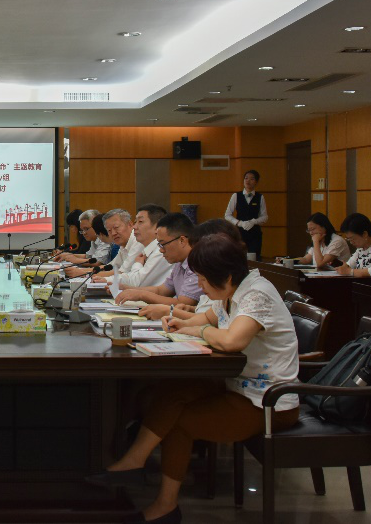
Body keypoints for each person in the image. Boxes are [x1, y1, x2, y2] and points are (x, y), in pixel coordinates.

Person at [89, 233, 300, 524]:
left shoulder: (256, 294)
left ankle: (166, 506)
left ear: (226, 276)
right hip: (236, 385)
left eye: (202, 278)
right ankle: (133, 462)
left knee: (180, 424)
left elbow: (232, 341)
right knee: (174, 390)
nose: (199, 285)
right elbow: (205, 319)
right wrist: (178, 320)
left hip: (266, 401)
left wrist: (195, 330)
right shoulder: (232, 290)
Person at [116, 213, 201, 319]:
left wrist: (141, 295)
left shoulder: (197, 264)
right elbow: (161, 290)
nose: (161, 250)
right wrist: (129, 289)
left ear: (182, 240)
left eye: (163, 244)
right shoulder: (179, 263)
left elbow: (182, 303)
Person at [67, 208, 141, 278]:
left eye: (116, 228)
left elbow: (122, 273)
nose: (113, 233)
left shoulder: (138, 242)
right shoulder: (123, 244)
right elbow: (109, 267)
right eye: (109, 230)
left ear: (130, 224)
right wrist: (80, 271)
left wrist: (83, 273)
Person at [114, 204, 173, 289]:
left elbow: (136, 283)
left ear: (157, 226)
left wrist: (138, 264)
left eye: (140, 222)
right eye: (135, 222)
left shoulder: (160, 251)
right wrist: (105, 279)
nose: (134, 227)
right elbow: (129, 277)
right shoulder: (147, 249)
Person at [335, 213, 371, 290]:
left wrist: (349, 272)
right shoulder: (361, 248)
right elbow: (349, 265)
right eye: (348, 239)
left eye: (352, 238)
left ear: (364, 234)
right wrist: (342, 267)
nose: (351, 242)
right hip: (362, 290)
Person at [224, 169, 268, 256]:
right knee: (238, 256)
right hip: (239, 232)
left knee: (254, 257)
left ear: (256, 182)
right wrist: (239, 223)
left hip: (255, 233)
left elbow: (265, 217)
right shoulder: (236, 195)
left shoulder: (260, 197)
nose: (248, 181)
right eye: (246, 178)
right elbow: (227, 215)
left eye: (252, 179)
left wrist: (253, 221)